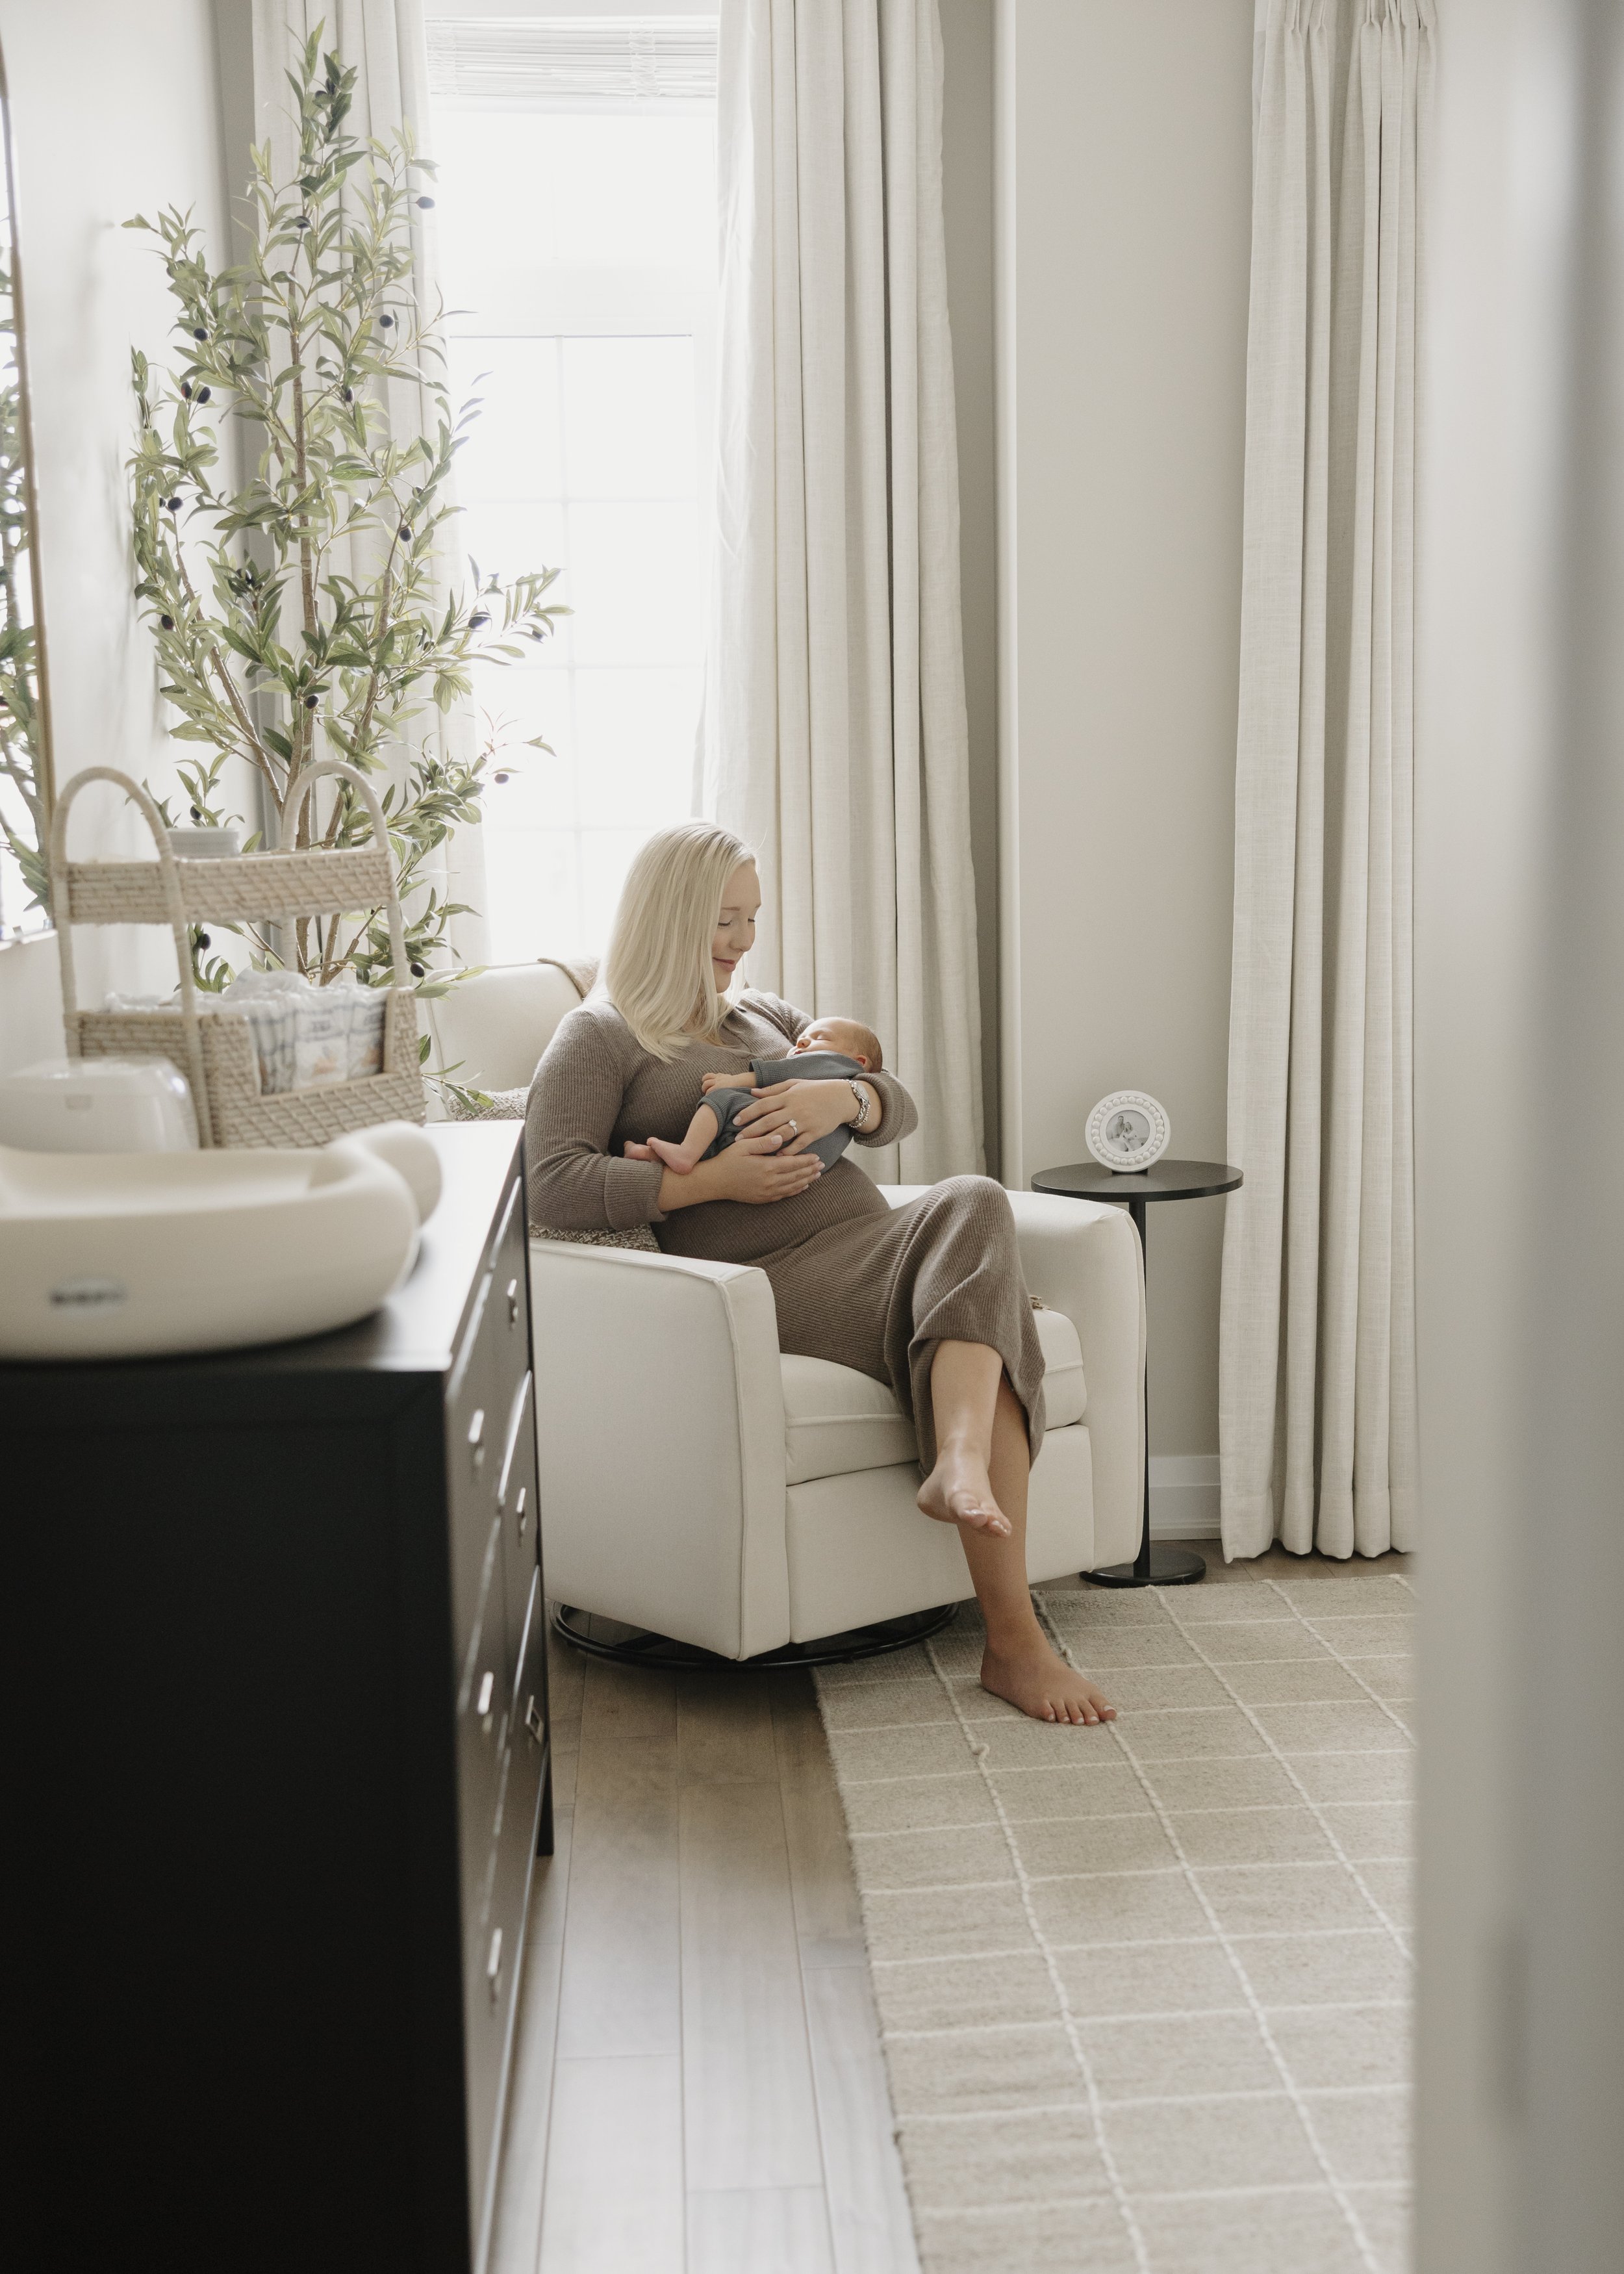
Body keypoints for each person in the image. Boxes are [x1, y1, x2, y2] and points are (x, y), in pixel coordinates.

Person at [525, 821, 1117, 1726]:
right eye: (723, 922)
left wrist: (845, 1095)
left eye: (752, 920)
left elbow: (894, 1104)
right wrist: (709, 1182)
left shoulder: (764, 1016)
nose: (741, 943)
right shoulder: (602, 1035)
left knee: (974, 1199)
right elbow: (549, 1180)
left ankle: (961, 1475)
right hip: (758, 1285)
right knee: (981, 1251)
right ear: (667, 916)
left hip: (867, 1250)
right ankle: (1014, 1637)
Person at [624, 1014, 884, 1175]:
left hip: (778, 1143)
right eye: (801, 1039)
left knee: (724, 1100)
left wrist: (733, 1081)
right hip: (805, 1163)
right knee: (720, 1146)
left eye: (820, 1037)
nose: (801, 1042)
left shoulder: (839, 1066)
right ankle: (659, 1159)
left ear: (859, 1061)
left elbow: (784, 1070)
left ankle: (687, 1152)